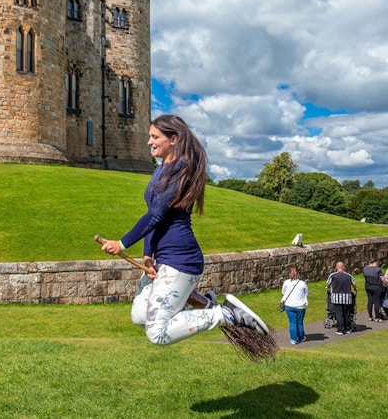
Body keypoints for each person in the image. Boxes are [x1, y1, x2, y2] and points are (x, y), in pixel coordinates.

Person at [101, 114, 269, 346]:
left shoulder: (180, 168)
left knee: (157, 334)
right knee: (140, 316)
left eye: (154, 137)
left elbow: (156, 214)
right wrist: (148, 256)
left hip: (180, 260)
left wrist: (121, 244)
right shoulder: (162, 168)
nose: (149, 142)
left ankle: (228, 315)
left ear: (174, 139)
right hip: (163, 258)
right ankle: (204, 302)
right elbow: (155, 215)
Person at [326, 261, 357, 335]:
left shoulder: (333, 275)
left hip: (336, 298)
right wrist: (355, 289)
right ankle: (348, 328)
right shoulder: (349, 276)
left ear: (336, 267)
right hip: (347, 298)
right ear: (343, 267)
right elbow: (354, 284)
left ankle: (340, 329)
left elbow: (328, 284)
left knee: (339, 314)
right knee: (346, 313)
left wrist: (328, 287)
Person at [281, 265, 308, 344]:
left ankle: (293, 339)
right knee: (299, 322)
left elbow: (283, 292)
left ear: (289, 274)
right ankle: (301, 337)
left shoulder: (286, 282)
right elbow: (306, 293)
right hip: (300, 306)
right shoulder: (302, 283)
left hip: (289, 305)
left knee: (292, 322)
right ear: (298, 274)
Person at [362, 257, 387, 322]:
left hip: (368, 286)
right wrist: (386, 284)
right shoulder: (377, 269)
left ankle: (370, 316)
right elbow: (382, 278)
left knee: (370, 301)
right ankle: (377, 317)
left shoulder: (365, 268)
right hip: (377, 287)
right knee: (377, 302)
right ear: (375, 262)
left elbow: (364, 276)